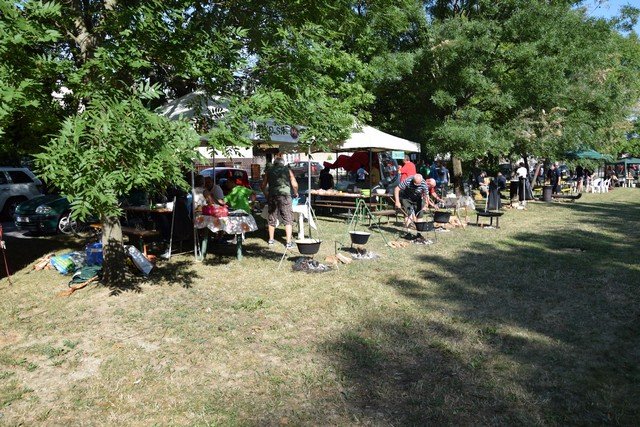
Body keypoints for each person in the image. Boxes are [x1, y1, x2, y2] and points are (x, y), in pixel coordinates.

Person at [261, 155, 298, 248]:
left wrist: (266, 195)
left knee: (272, 217)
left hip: (272, 196)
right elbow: (294, 183)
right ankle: (288, 243)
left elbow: (263, 185)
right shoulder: (287, 170)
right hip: (285, 195)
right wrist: (296, 192)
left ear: (274, 163)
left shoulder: (269, 171)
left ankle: (271, 240)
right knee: (288, 217)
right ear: (283, 163)